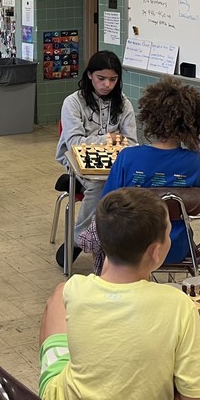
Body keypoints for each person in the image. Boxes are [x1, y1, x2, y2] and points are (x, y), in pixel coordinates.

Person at [39, 188, 200, 400]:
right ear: (155, 252)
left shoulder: (75, 289)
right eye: (168, 233)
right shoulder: (178, 304)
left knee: (57, 296)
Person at [78, 77, 200, 268]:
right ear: (192, 124)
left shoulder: (128, 157)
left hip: (127, 248)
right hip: (175, 247)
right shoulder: (195, 162)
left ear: (150, 119)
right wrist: (195, 147)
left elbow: (107, 201)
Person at [54, 50, 137, 267]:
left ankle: (119, 241)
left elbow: (131, 142)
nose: (107, 85)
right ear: (90, 75)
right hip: (76, 159)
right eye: (101, 78)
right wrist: (109, 138)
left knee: (134, 185)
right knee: (99, 183)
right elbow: (75, 144)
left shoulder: (124, 103)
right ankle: (79, 239)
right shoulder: (72, 103)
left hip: (114, 161)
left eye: (113, 79)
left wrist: (105, 141)